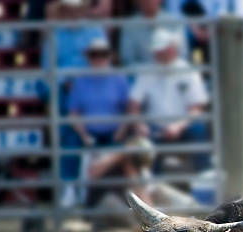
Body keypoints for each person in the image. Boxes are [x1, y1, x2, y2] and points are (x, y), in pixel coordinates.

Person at [127, 29, 210, 171]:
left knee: (199, 130)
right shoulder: (147, 72)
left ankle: (203, 178)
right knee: (143, 141)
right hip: (154, 128)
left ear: (172, 49)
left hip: (184, 127)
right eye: (157, 50)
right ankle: (149, 185)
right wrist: (140, 124)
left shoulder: (188, 71)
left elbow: (197, 108)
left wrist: (178, 126)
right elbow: (133, 105)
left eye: (161, 50)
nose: (158, 54)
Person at [67, 38, 130, 148]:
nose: (99, 58)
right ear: (89, 58)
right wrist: (85, 136)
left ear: (109, 57)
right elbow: (73, 113)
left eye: (103, 54)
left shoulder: (120, 78)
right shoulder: (80, 80)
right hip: (89, 136)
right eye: (94, 55)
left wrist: (120, 133)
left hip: (115, 135)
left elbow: (129, 110)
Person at [119, 0, 189, 66]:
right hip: (143, 75)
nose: (149, 1)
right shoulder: (129, 26)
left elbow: (183, 54)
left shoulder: (174, 22)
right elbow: (128, 60)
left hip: (173, 73)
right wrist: (150, 70)